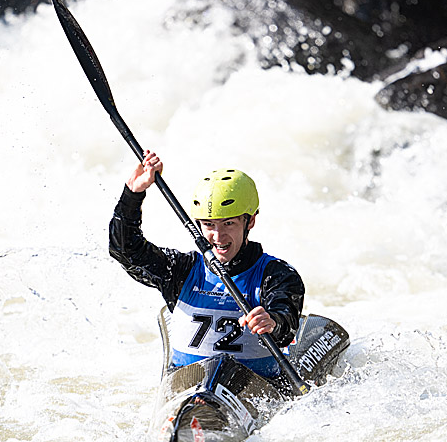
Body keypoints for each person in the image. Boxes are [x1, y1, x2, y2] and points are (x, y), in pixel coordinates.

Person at [109, 150, 305, 378]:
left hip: (253, 387)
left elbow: (286, 323)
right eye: (209, 225)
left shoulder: (278, 275)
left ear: (250, 221)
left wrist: (273, 321)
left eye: (228, 223)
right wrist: (133, 194)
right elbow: (124, 250)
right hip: (188, 386)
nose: (218, 236)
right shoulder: (180, 271)